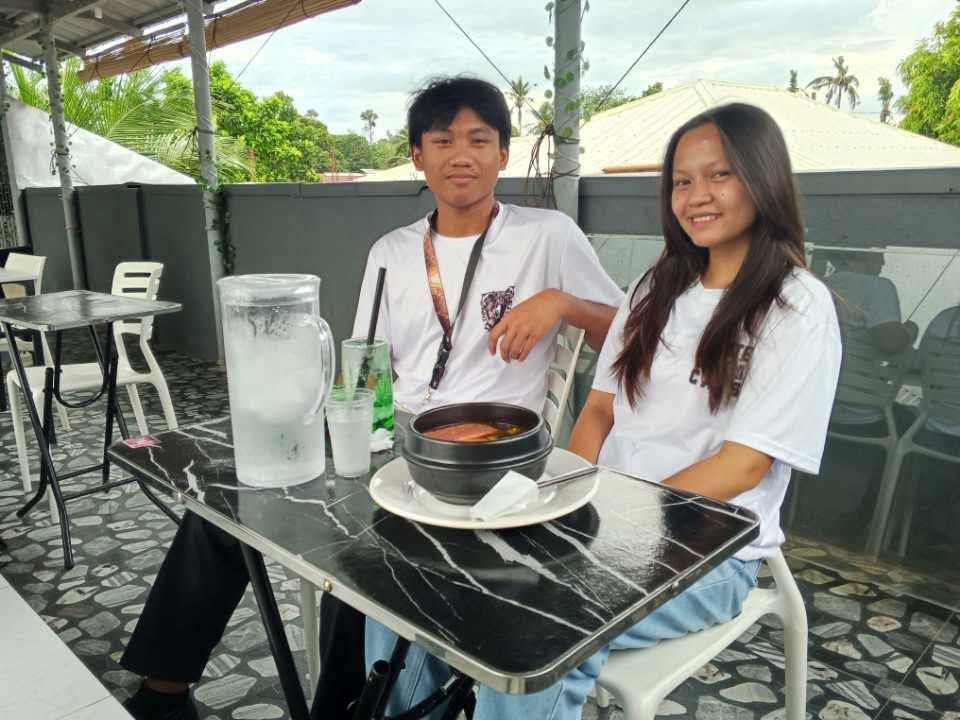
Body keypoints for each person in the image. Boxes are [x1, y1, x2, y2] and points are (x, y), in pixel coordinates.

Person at [120, 75, 623, 720]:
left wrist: (562, 303)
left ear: (503, 152)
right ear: (418, 155)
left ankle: (347, 710)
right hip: (393, 432)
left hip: (480, 456)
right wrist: (333, 423)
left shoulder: (547, 235)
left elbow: (631, 331)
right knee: (226, 502)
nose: (461, 155)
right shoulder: (392, 251)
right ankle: (162, 692)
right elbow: (363, 368)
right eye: (442, 140)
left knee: (356, 559)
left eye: (479, 140)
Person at [365, 102, 842, 720]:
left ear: (763, 178)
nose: (697, 195)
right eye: (681, 181)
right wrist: (559, 502)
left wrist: (615, 520)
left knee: (537, 629)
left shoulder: (794, 306)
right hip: (602, 522)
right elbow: (596, 413)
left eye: (719, 174)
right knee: (409, 571)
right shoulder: (656, 288)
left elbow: (743, 466)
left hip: (708, 552)